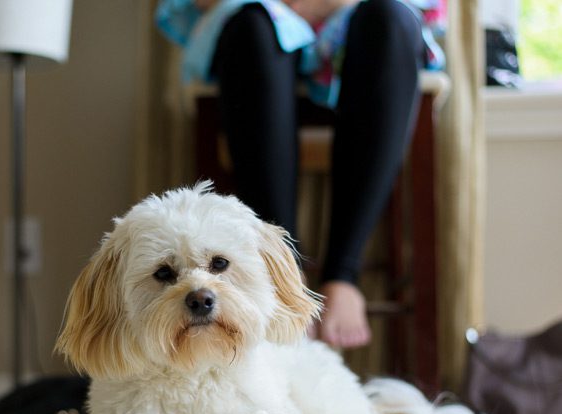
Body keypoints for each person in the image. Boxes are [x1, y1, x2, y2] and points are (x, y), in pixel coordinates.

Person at [156, 0, 445, 349]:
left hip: (360, 23)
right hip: (260, 24)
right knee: (255, 23)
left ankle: (343, 273)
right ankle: (285, 275)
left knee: (388, 17)